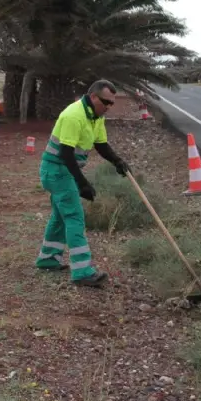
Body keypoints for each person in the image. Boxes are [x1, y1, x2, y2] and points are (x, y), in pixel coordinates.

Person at [35, 79, 131, 287]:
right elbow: (66, 154)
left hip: (64, 170)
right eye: (106, 102)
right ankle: (82, 272)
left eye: (111, 103)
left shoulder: (95, 116)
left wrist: (117, 161)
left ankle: (48, 259)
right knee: (74, 216)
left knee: (61, 216)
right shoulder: (73, 115)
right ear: (94, 96)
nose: (108, 107)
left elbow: (101, 144)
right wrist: (82, 184)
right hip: (57, 170)